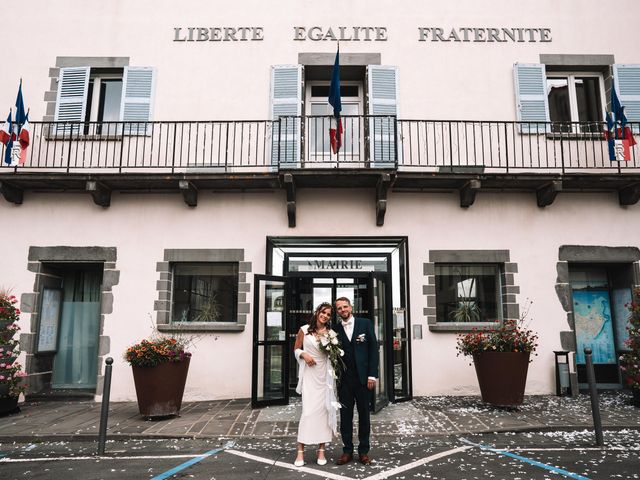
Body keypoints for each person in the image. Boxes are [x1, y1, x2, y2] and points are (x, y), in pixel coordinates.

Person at [293, 302, 339, 467]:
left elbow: (333, 356)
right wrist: (304, 354)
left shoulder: (331, 334)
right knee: (308, 412)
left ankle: (321, 450)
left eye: (328, 314)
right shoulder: (304, 330)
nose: (325, 316)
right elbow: (296, 349)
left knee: (323, 412)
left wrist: (333, 354)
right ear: (317, 312)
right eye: (323, 312)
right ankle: (300, 450)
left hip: (324, 376)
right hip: (310, 375)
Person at [334, 296, 379, 466]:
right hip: (344, 381)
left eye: (345, 307)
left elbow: (374, 349)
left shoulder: (365, 324)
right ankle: (347, 451)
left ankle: (363, 451)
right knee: (345, 417)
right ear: (337, 311)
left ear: (351, 307)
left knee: (364, 416)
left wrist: (371, 375)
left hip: (363, 380)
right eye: (339, 308)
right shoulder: (335, 329)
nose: (343, 310)